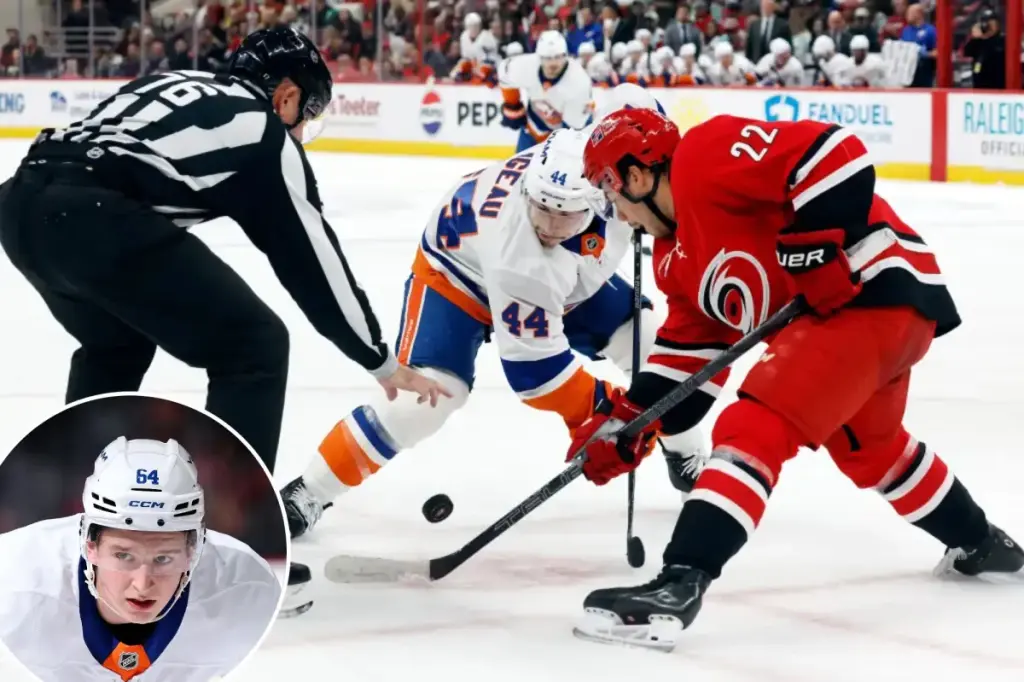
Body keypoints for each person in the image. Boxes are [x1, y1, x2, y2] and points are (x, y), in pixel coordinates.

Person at [567, 108, 1023, 651]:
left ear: (636, 175)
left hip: (866, 293)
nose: (617, 214)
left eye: (609, 193)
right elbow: (687, 359)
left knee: (754, 425)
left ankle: (680, 581)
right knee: (871, 450)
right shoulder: (674, 259)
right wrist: (628, 422)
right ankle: (983, 545)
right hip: (867, 323)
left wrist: (817, 245)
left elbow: (834, 152)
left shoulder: (704, 155)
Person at [0, 26, 448, 475]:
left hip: (19, 205)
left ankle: (73, 482)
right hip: (92, 216)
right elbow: (312, 263)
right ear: (286, 95)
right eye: (307, 115)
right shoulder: (263, 132)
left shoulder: (169, 82)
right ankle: (234, 515)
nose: (301, 130)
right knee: (255, 347)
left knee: (116, 343)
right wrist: (379, 359)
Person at [281, 88, 705, 538]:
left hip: (566, 277)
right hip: (460, 275)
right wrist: (607, 407)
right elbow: (536, 375)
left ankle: (686, 453)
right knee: (428, 398)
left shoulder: (608, 164)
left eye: (566, 216)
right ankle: (310, 489)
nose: (550, 227)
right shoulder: (525, 254)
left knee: (653, 344)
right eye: (542, 209)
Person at [0, 437, 282, 681]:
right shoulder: (15, 583)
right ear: (90, 546)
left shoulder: (248, 592)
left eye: (163, 558)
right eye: (123, 555)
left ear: (192, 551)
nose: (142, 584)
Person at [499, 30, 594, 153]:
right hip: (532, 129)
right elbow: (504, 71)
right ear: (538, 57)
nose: (552, 64)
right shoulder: (528, 65)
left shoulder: (579, 83)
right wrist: (512, 104)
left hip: (564, 135)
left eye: (557, 58)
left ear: (566, 56)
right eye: (547, 58)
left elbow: (574, 132)